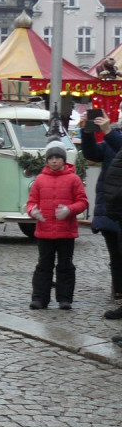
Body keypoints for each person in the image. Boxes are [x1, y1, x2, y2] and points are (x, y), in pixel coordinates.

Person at [26, 140, 87, 310]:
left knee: (65, 265)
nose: (54, 161)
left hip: (66, 231)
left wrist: (69, 210)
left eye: (57, 158)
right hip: (44, 231)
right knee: (44, 265)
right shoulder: (39, 180)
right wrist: (33, 211)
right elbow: (31, 202)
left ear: (63, 160)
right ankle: (39, 298)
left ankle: (65, 298)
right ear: (47, 160)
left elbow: (82, 202)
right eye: (51, 158)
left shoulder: (73, 179)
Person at [78, 110, 122, 316]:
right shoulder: (110, 142)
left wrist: (108, 131)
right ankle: (120, 297)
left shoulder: (114, 139)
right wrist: (87, 132)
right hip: (110, 208)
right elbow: (92, 154)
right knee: (116, 256)